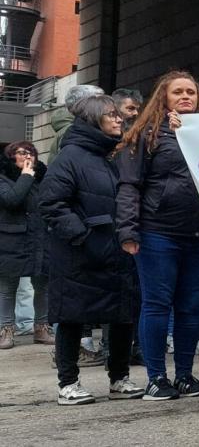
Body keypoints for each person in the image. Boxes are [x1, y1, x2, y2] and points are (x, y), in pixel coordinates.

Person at [115, 70, 199, 401]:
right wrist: (128, 230)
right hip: (158, 233)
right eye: (178, 92)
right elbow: (129, 185)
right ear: (164, 98)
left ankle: (184, 375)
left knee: (191, 307)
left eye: (191, 92)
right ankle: (156, 378)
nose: (186, 96)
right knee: (157, 304)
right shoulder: (145, 135)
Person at [39, 95, 143, 405]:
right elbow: (51, 203)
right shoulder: (70, 156)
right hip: (80, 255)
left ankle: (119, 378)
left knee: (122, 315)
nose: (118, 120)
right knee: (72, 317)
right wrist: (83, 237)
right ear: (93, 119)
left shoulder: (113, 156)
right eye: (111, 115)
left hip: (116, 252)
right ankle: (68, 384)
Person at [0, 142, 52, 349]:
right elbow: (12, 200)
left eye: (31, 152)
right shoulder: (3, 179)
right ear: (10, 157)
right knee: (8, 288)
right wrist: (26, 175)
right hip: (11, 241)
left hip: (40, 239)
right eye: (21, 152)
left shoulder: (43, 179)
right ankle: (6, 331)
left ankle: (42, 328)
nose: (27, 156)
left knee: (43, 286)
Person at [46, 84, 105, 163]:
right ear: (81, 105)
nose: (105, 105)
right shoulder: (73, 131)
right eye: (98, 101)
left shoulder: (76, 128)